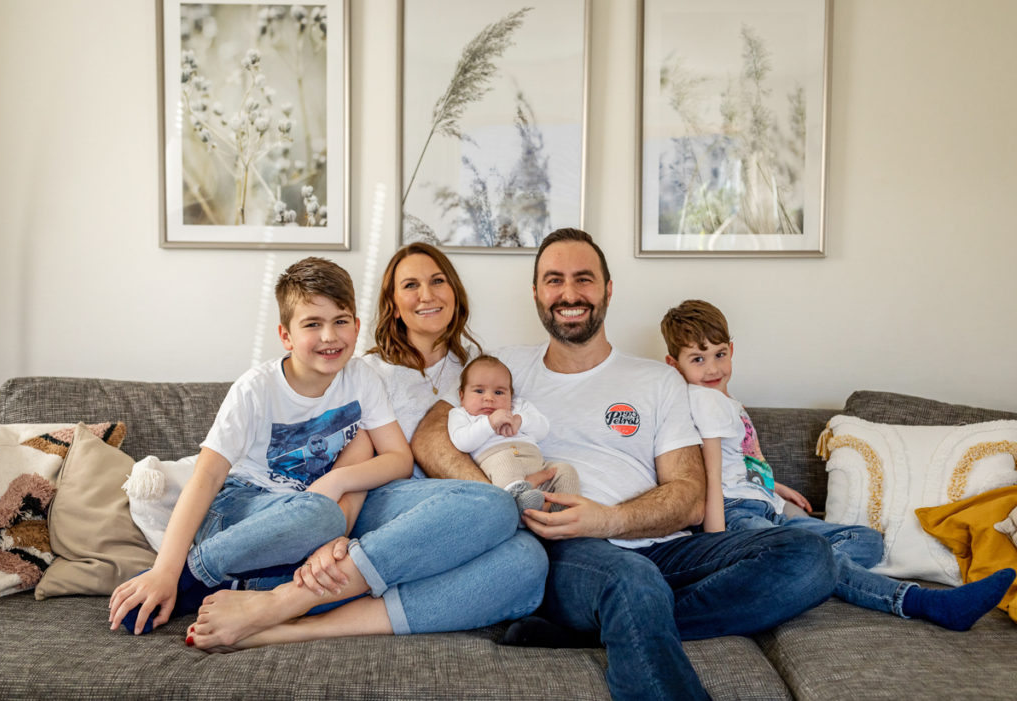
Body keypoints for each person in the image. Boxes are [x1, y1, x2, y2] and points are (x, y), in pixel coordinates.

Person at [410, 228, 839, 701]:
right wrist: (499, 501)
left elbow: (690, 496)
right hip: (568, 551)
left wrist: (609, 518)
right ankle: (627, 613)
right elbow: (430, 436)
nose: (569, 294)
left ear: (608, 290)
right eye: (554, 280)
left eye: (584, 279)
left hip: (659, 548)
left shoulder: (657, 380)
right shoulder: (503, 369)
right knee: (633, 582)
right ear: (536, 292)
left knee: (809, 556)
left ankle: (607, 627)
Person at [181, 243, 547, 651]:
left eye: (437, 280)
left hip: (441, 517)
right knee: (491, 507)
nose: (426, 294)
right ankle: (290, 598)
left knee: (529, 561)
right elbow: (354, 462)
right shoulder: (362, 370)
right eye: (410, 285)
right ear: (391, 304)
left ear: (456, 291)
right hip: (367, 508)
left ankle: (289, 620)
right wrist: (337, 529)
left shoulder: (482, 371)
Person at [661, 298, 1016, 631]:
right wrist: (718, 545)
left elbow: (738, 460)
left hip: (761, 505)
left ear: (732, 350)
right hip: (734, 513)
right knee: (819, 557)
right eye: (697, 359)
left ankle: (789, 571)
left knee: (867, 541)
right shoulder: (705, 401)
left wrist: (774, 487)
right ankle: (921, 602)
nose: (712, 368)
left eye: (719, 354)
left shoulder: (724, 400)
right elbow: (711, 475)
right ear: (672, 364)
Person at [109, 257, 413, 636]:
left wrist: (337, 482)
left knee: (346, 567)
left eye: (340, 321)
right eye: (312, 324)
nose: (329, 336)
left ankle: (240, 591)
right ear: (286, 335)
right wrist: (165, 571)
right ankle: (190, 578)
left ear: (356, 325)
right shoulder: (256, 388)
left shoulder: (361, 380)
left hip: (299, 525)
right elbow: (207, 475)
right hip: (239, 510)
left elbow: (399, 458)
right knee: (326, 518)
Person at [449, 354, 579, 512]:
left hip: (537, 464)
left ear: (511, 395)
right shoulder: (461, 414)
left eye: (499, 393)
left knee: (565, 470)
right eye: (479, 390)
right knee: (505, 462)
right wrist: (489, 423)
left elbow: (543, 429)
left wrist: (520, 420)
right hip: (500, 465)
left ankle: (560, 510)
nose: (489, 398)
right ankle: (523, 505)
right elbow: (463, 442)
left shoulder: (519, 407)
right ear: (462, 395)